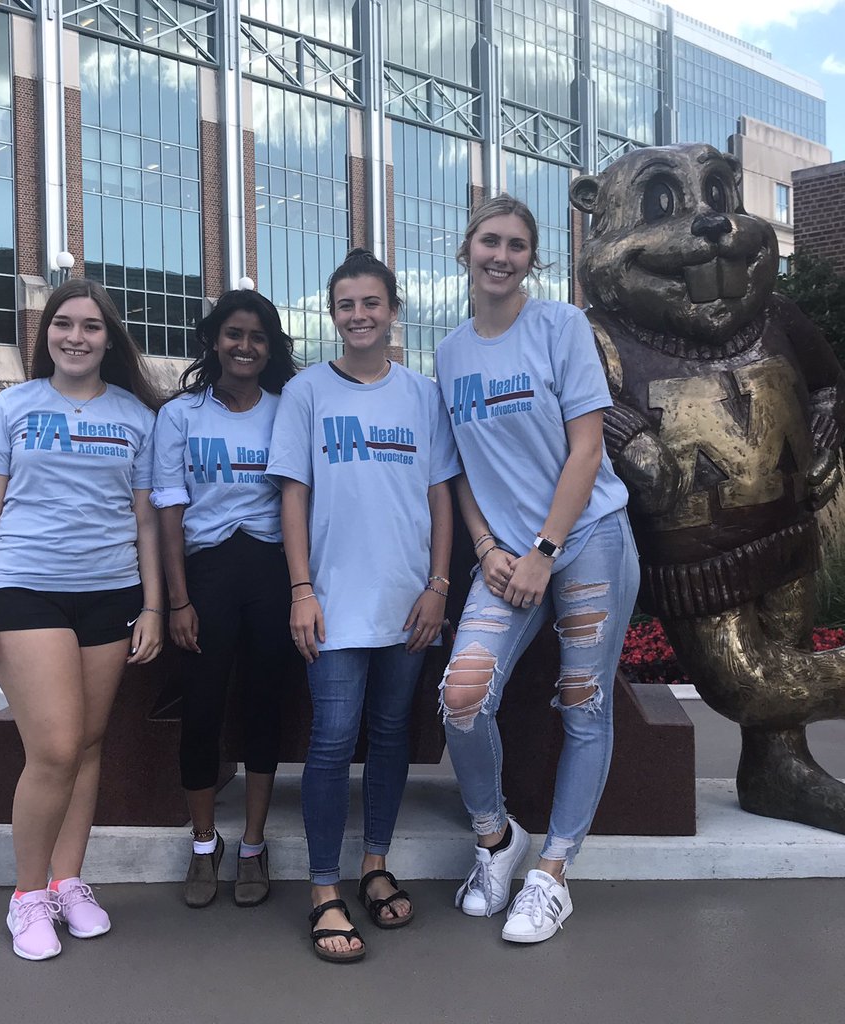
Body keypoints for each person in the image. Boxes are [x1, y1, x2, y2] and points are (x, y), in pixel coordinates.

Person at [434, 195, 639, 945]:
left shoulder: (560, 327)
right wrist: (488, 548)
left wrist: (545, 554)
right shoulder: (450, 352)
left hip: (584, 540)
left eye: (518, 245)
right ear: (467, 249)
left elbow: (588, 449)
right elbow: (460, 467)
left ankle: (552, 875)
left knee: (584, 705)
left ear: (532, 258)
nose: (502, 255)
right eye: (490, 240)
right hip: (503, 558)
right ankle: (496, 841)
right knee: (462, 698)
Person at [0, 279, 163, 961]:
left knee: (89, 744)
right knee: (53, 747)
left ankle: (69, 880)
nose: (76, 337)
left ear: (111, 338)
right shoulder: (13, 405)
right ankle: (27, 897)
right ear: (45, 332)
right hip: (26, 593)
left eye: (91, 326)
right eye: (63, 324)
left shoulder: (137, 415)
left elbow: (145, 523)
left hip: (110, 594)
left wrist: (154, 606)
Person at [267, 249, 458, 963]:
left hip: (409, 602)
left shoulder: (421, 394)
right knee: (330, 737)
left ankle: (374, 864)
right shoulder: (307, 393)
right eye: (346, 305)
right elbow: (294, 493)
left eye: (371, 303)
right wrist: (301, 588)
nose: (359, 316)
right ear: (332, 312)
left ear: (392, 309)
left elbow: (440, 495)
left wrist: (438, 585)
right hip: (332, 603)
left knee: (389, 735)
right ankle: (324, 888)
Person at [151, 289, 297, 909]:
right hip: (206, 574)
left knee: (265, 707)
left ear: (271, 348)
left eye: (258, 337)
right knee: (203, 712)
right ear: (214, 339)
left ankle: (255, 844)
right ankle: (205, 843)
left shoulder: (288, 409)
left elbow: (299, 499)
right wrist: (178, 601)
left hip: (269, 570)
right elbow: (168, 508)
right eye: (234, 334)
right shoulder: (181, 415)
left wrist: (299, 589)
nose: (245, 346)